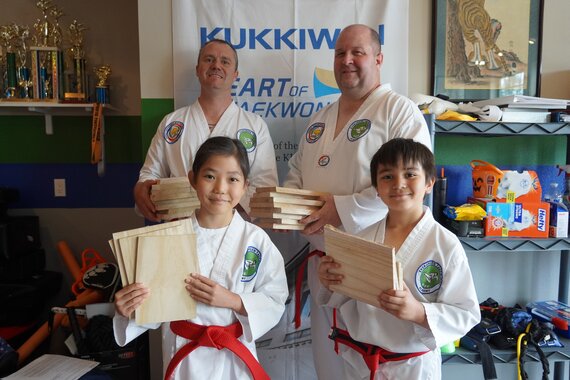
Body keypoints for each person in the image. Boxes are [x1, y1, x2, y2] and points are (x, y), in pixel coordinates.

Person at [283, 24, 432, 378]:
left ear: (378, 59)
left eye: (357, 53)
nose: (346, 61)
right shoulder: (318, 121)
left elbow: (409, 187)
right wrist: (289, 207)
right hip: (324, 267)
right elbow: (295, 174)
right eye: (339, 53)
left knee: (370, 365)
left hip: (375, 269)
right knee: (329, 366)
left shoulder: (399, 112)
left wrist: (340, 207)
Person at [114, 137, 288, 379]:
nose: (220, 188)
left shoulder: (255, 240)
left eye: (232, 179)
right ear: (192, 179)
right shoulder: (168, 239)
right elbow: (150, 306)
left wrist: (234, 300)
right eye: (209, 176)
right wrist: (128, 309)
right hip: (185, 357)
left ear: (245, 186)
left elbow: (276, 298)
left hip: (234, 360)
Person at [318, 138, 480, 379]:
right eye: (387, 177)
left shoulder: (445, 244)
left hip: (413, 367)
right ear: (376, 187)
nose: (399, 184)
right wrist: (330, 280)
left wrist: (417, 312)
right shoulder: (360, 239)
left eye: (410, 174)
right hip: (361, 363)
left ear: (429, 182)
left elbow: (466, 314)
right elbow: (344, 298)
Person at [135, 39, 278, 222]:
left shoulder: (255, 126)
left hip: (233, 231)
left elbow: (265, 185)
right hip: (180, 227)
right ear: (197, 69)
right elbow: (150, 174)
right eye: (209, 59)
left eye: (225, 61)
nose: (216, 65)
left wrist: (221, 209)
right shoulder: (172, 122)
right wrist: (141, 188)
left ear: (235, 74)